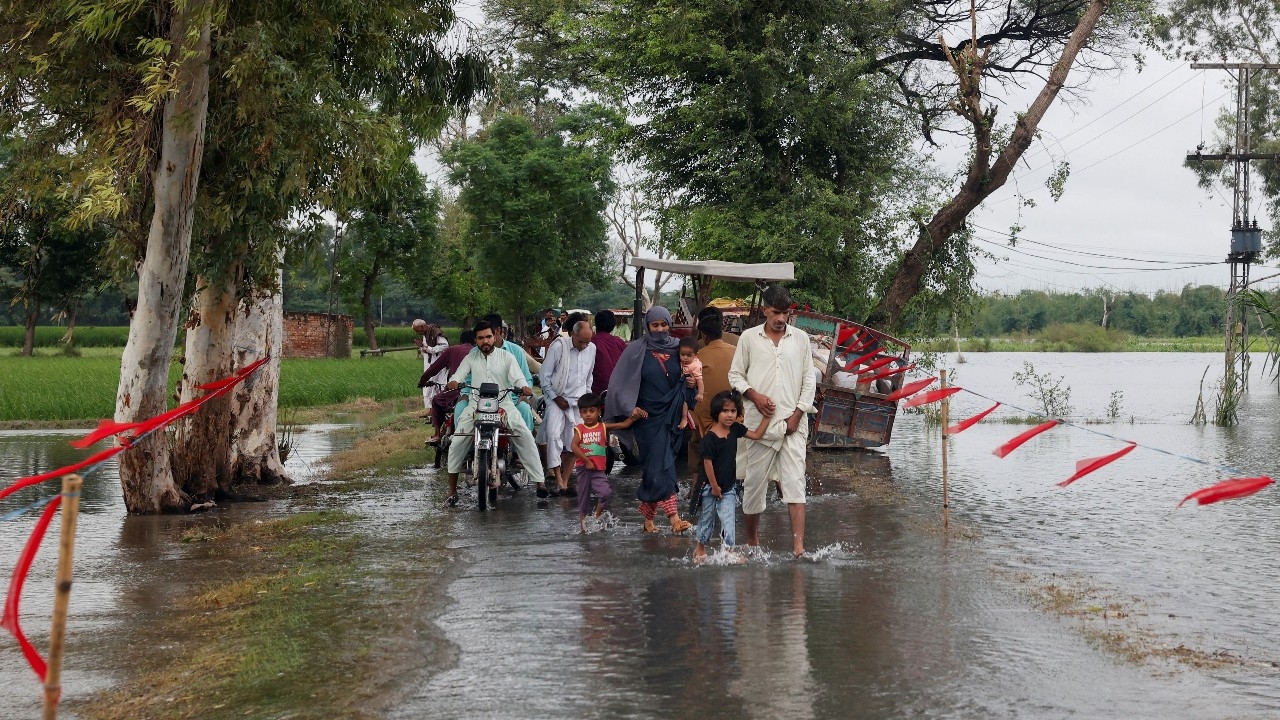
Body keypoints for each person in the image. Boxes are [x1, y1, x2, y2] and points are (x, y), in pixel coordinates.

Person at [728, 285, 816, 557]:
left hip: (793, 425)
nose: (781, 318)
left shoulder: (800, 339)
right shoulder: (748, 338)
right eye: (776, 312)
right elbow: (735, 376)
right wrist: (754, 396)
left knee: (794, 484)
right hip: (758, 426)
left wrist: (798, 414)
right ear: (764, 310)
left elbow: (809, 380)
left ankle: (798, 548)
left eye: (785, 313)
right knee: (754, 486)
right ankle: (753, 542)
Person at [605, 306, 697, 534]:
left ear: (670, 325)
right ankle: (675, 518)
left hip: (673, 416)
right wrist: (630, 408)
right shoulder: (635, 350)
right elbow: (618, 384)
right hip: (646, 419)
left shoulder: (680, 348)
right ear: (647, 326)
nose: (660, 329)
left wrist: (692, 386)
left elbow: (693, 376)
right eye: (654, 325)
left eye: (664, 324)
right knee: (661, 465)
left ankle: (648, 520)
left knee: (657, 467)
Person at [443, 321, 544, 507]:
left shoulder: (507, 357)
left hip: (504, 404)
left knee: (524, 433)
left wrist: (524, 386)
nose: (485, 341)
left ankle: (540, 482)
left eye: (488, 337)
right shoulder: (471, 358)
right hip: (475, 405)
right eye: (481, 338)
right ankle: (451, 490)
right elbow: (459, 374)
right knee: (457, 440)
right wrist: (454, 381)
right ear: (476, 340)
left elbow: (518, 377)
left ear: (495, 337)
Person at [692, 390, 772, 563]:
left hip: (728, 487)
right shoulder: (709, 439)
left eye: (733, 411)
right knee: (706, 519)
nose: (729, 415)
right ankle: (699, 549)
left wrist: (767, 417)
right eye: (725, 411)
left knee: (729, 519)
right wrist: (714, 487)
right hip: (709, 486)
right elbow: (707, 464)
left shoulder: (735, 429)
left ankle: (728, 550)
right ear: (716, 413)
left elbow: (756, 435)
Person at [572, 393, 644, 532]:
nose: (588, 415)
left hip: (598, 470)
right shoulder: (579, 429)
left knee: (605, 493)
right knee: (583, 497)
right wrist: (586, 461)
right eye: (584, 412)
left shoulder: (603, 427)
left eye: (592, 411)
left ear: (599, 412)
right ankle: (583, 526)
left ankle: (597, 516)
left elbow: (624, 424)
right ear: (580, 414)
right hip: (584, 469)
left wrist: (634, 416)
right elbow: (574, 446)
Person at [541, 319, 596, 497]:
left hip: (578, 402)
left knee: (574, 443)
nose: (585, 345)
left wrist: (587, 401)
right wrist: (556, 398)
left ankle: (564, 481)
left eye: (588, 341)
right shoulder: (559, 347)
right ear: (572, 335)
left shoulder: (592, 349)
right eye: (581, 341)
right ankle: (557, 479)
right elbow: (545, 376)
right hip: (557, 398)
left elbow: (589, 378)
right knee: (553, 436)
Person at [419, 330, 475, 443]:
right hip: (478, 392)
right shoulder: (479, 352)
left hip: (457, 391)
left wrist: (422, 381)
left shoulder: (452, 350)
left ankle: (437, 434)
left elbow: (434, 368)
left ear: (461, 340)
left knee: (436, 400)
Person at [589, 309, 627, 395]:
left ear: (596, 324)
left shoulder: (590, 342)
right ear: (613, 325)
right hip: (617, 389)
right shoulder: (619, 342)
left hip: (595, 391)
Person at [413, 320, 449, 411]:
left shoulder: (435, 332)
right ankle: (430, 409)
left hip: (438, 364)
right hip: (429, 364)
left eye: (417, 330)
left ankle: (438, 409)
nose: (417, 332)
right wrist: (422, 346)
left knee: (438, 386)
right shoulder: (426, 334)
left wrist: (430, 349)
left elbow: (445, 345)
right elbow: (427, 348)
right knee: (428, 386)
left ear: (422, 327)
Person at [676, 335, 704, 430]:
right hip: (681, 387)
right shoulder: (680, 362)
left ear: (695, 355)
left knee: (684, 402)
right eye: (682, 354)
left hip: (688, 389)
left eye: (689, 355)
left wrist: (700, 393)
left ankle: (684, 418)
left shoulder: (694, 366)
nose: (685, 358)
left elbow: (700, 380)